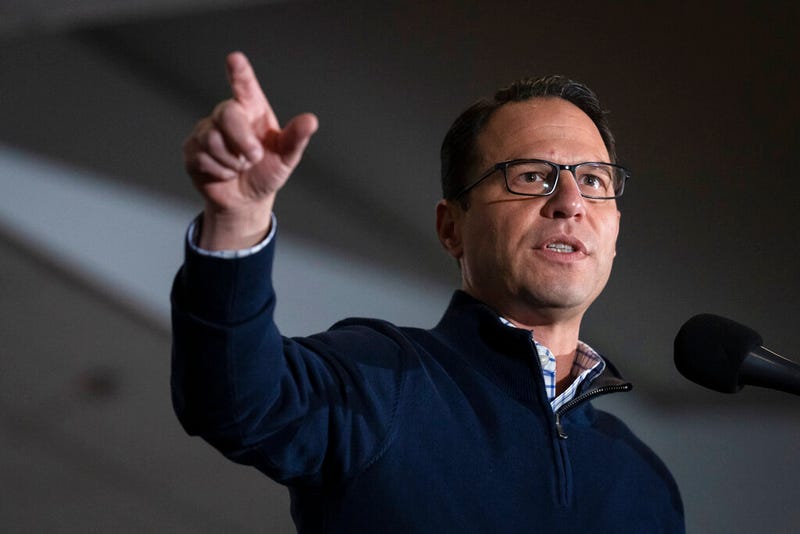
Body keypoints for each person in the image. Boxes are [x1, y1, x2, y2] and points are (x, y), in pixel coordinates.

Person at [171, 51, 684, 533]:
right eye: (532, 176)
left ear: (616, 228)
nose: (570, 202)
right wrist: (236, 221)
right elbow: (238, 400)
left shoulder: (643, 482)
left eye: (594, 180)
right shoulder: (381, 380)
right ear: (451, 228)